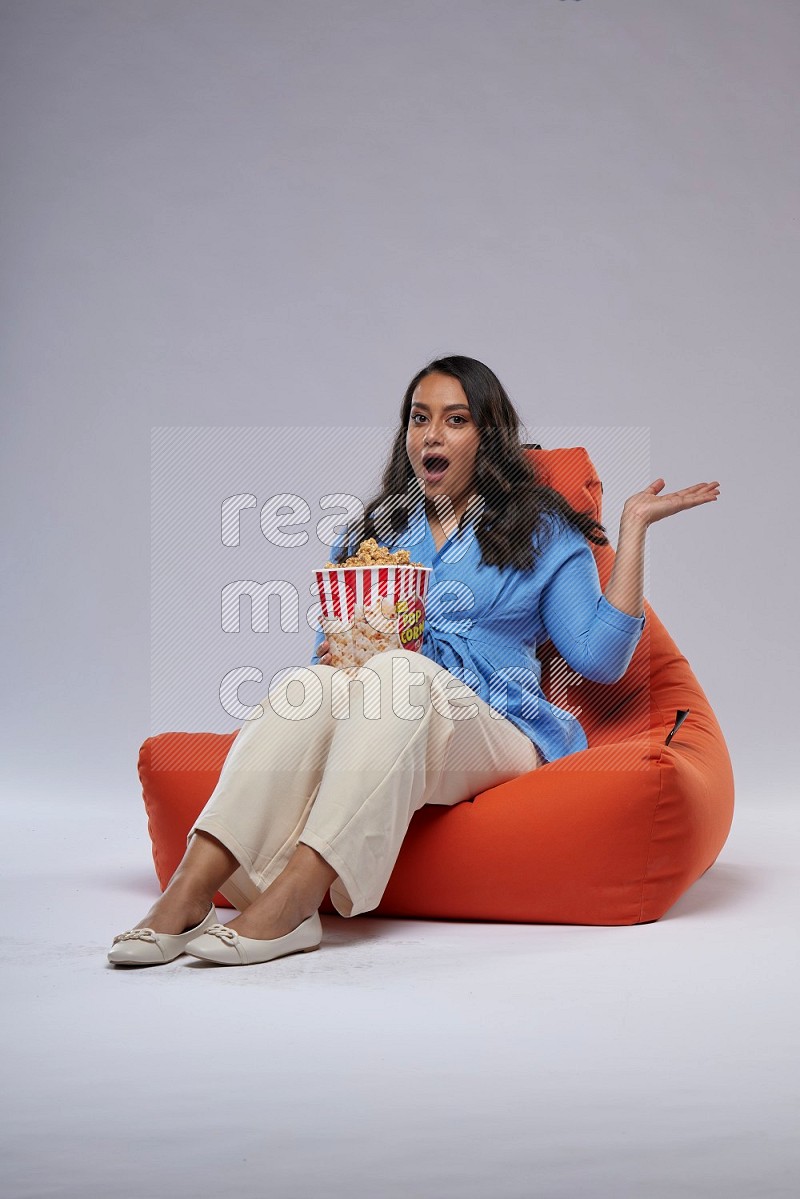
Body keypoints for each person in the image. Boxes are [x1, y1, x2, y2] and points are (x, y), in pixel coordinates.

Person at [107, 355, 719, 967]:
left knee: (400, 673)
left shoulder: (544, 531)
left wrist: (633, 528)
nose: (432, 434)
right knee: (311, 685)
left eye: (455, 420)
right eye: (419, 418)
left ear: (487, 434)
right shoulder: (374, 531)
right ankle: (190, 889)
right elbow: (331, 660)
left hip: (498, 729)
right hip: (388, 718)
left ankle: (294, 901)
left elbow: (602, 659)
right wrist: (333, 654)